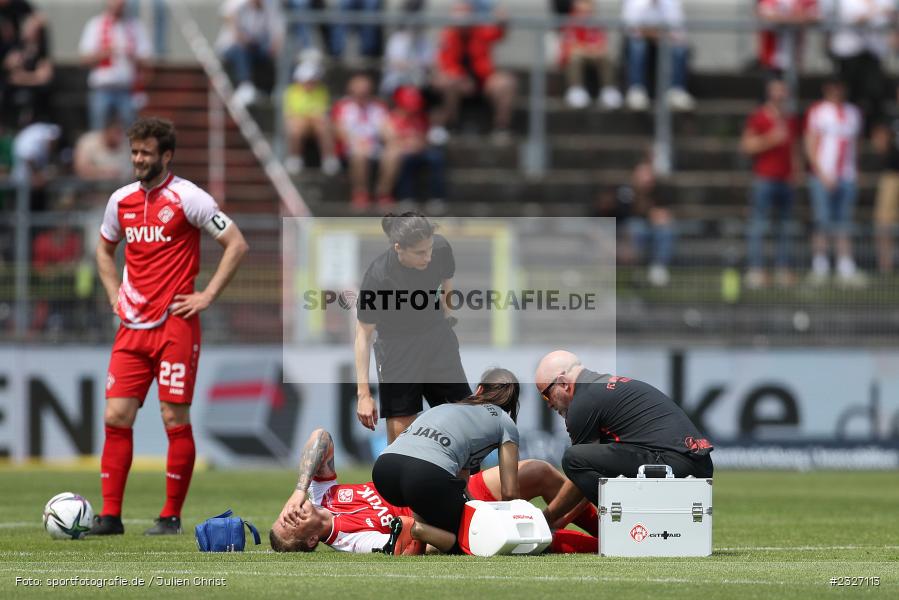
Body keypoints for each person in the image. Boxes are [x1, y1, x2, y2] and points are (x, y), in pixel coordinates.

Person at [89, 117, 249, 536]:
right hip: (131, 326)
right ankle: (110, 517)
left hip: (176, 323)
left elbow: (236, 243)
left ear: (166, 155)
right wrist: (112, 294)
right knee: (116, 415)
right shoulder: (120, 200)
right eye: (134, 152)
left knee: (172, 416)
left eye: (146, 153)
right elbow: (104, 251)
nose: (138, 159)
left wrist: (207, 296)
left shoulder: (187, 198)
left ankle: (170, 516)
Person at [269, 426, 600, 554]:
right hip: (441, 512)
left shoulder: (318, 494)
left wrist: (299, 489)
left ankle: (606, 526)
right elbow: (411, 544)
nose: (290, 514)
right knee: (539, 537)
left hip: (439, 485)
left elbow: (320, 436)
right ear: (312, 539)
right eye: (290, 524)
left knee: (536, 471)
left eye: (283, 516)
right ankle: (609, 544)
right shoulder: (349, 540)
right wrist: (419, 502)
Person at [534, 350, 713, 521]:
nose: (548, 404)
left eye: (546, 396)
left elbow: (578, 478)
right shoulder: (599, 386)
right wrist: (559, 520)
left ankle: (632, 524)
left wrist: (547, 518)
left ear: (563, 383)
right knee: (582, 460)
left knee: (573, 459)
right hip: (696, 466)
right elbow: (589, 479)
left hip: (674, 464)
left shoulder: (583, 403)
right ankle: (632, 520)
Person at [370, 368, 521, 554]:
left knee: (425, 490)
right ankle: (415, 529)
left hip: (385, 470)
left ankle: (414, 544)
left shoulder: (446, 407)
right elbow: (509, 491)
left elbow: (460, 486)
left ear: (480, 389)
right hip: (423, 475)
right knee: (470, 542)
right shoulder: (505, 421)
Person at [354, 212, 470, 443]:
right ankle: (402, 478)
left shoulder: (440, 249)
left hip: (437, 337)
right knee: (401, 435)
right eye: (420, 252)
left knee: (463, 420)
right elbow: (363, 335)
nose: (428, 257)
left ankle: (468, 479)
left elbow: (447, 283)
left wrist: (445, 323)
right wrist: (364, 395)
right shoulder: (378, 277)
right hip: (397, 348)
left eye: (429, 249)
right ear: (399, 248)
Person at [741, 78, 801, 289]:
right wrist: (770, 139)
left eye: (782, 91)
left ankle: (783, 269)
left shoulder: (790, 118)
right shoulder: (759, 116)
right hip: (764, 178)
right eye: (776, 91)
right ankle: (757, 269)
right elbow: (747, 146)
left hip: (785, 179)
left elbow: (793, 147)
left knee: (784, 227)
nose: (779, 95)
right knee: (759, 225)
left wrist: (796, 171)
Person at [804, 77, 863, 286]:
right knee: (823, 219)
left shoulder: (853, 113)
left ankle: (845, 264)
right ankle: (820, 264)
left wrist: (854, 172)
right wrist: (822, 174)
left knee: (844, 221)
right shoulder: (818, 111)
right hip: (823, 176)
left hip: (846, 175)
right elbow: (810, 144)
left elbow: (855, 146)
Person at [432, 0, 517, 143]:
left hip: (483, 80)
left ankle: (501, 128)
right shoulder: (448, 35)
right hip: (459, 82)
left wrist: (502, 18)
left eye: (467, 16)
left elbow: (499, 33)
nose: (463, 21)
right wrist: (461, 78)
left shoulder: (480, 30)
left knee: (506, 83)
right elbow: (445, 65)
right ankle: (449, 125)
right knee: (448, 82)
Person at [79, 0, 152, 130]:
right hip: (101, 89)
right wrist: (105, 53)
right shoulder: (95, 24)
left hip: (126, 90)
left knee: (130, 133)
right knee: (98, 131)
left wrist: (131, 55)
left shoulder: (135, 26)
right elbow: (84, 59)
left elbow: (146, 59)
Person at [332, 72, 394, 209]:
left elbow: (386, 128)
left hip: (375, 146)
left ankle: (384, 192)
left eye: (365, 90)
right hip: (352, 146)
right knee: (359, 153)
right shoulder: (342, 106)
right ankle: (360, 192)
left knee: (394, 153)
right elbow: (339, 129)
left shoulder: (378, 107)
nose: (362, 93)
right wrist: (356, 141)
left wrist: (391, 139)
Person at [621, 0, 694, 112]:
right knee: (637, 45)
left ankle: (676, 91)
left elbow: (679, 31)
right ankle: (636, 90)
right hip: (643, 38)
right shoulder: (633, 2)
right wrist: (655, 34)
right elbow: (631, 29)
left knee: (679, 48)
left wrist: (661, 35)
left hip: (664, 38)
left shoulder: (672, 3)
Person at [384, 86, 447, 210]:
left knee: (436, 158)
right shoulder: (391, 119)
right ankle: (405, 197)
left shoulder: (420, 117)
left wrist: (420, 144)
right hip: (403, 152)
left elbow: (426, 138)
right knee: (405, 160)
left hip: (420, 151)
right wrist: (407, 145)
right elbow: (390, 140)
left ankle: (437, 198)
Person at [215, 0, 284, 108]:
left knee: (267, 54)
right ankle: (245, 86)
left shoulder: (270, 7)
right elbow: (232, 25)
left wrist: (273, 49)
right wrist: (245, 40)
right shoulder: (237, 4)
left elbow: (277, 33)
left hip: (255, 47)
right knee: (241, 50)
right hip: (232, 47)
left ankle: (268, 90)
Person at [282, 56, 339, 177]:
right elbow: (291, 114)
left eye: (313, 79)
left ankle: (328, 159)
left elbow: (321, 112)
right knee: (295, 127)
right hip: (301, 124)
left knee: (324, 125)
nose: (311, 83)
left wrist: (310, 116)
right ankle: (294, 158)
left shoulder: (321, 90)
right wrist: (309, 116)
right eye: (308, 80)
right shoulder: (291, 91)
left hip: (314, 124)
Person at [560, 0, 621, 110]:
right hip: (577, 56)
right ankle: (576, 90)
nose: (586, 6)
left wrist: (592, 50)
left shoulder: (596, 21)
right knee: (575, 58)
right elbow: (570, 46)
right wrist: (587, 49)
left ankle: (608, 90)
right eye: (583, 2)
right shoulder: (570, 20)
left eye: (588, 3)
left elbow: (602, 43)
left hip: (593, 55)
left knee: (606, 57)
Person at [873, 83, 899, 275]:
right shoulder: (890, 118)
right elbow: (879, 141)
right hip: (892, 174)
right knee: (884, 221)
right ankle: (885, 266)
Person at [755, 0, 818, 76]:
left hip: (796, 56)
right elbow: (765, 15)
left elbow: (814, 15)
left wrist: (786, 19)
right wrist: (794, 19)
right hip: (772, 58)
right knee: (777, 85)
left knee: (794, 84)